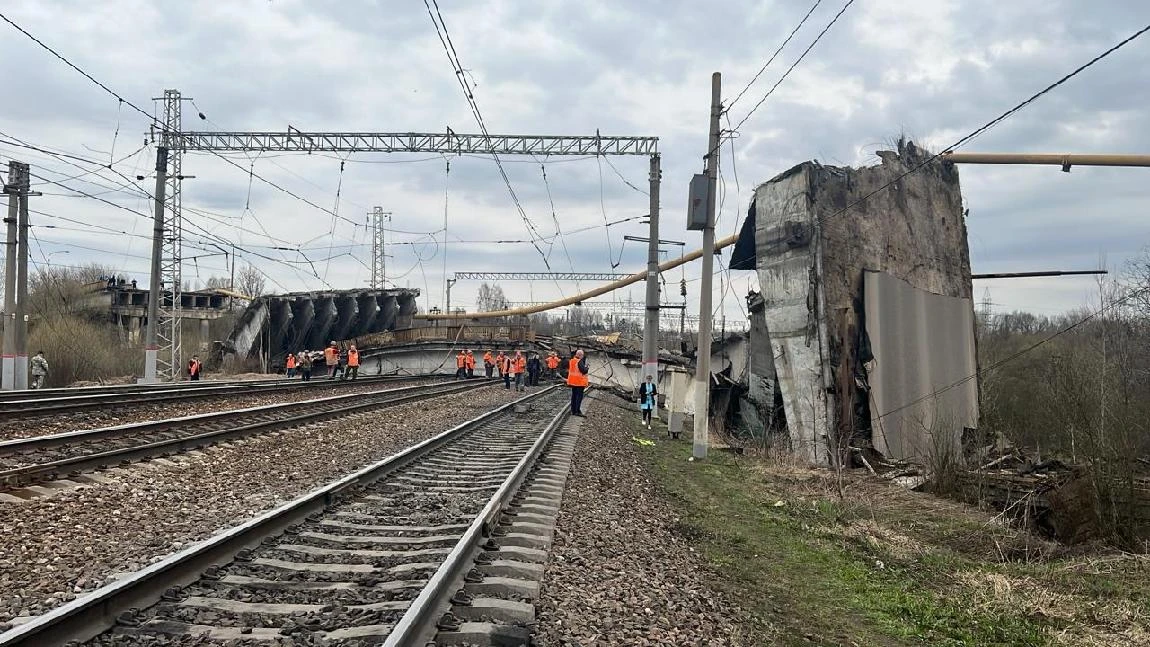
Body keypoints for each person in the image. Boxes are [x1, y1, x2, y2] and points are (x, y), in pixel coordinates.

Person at [566, 349, 588, 416]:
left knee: (574, 396)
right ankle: (577, 411)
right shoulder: (579, 361)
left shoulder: (572, 361)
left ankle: (573, 410)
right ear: (580, 355)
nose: (583, 356)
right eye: (582, 355)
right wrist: (587, 367)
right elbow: (583, 371)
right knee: (579, 397)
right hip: (579, 382)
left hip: (573, 382)